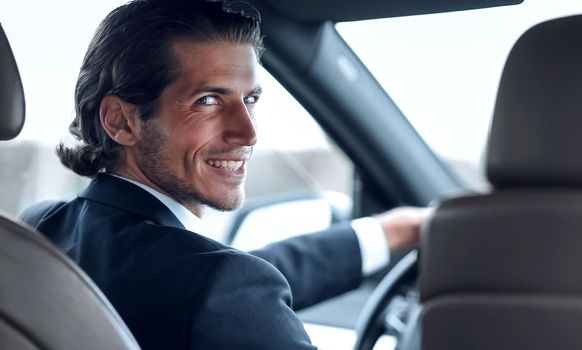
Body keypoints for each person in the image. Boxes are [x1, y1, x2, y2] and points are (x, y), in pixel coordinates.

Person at [20, 0, 430, 348]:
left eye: (249, 99)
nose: (248, 132)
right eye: (209, 100)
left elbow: (219, 278)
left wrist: (389, 232)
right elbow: (224, 284)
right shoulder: (222, 286)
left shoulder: (39, 231)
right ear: (121, 121)